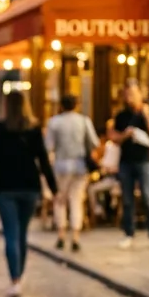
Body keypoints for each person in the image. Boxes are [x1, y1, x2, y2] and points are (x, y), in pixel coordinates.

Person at [0, 92, 57, 297]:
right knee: (22, 234)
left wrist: (2, 165)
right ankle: (19, 276)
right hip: (29, 186)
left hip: (5, 186)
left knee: (11, 233)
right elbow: (43, 159)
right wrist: (53, 187)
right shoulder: (33, 128)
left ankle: (15, 279)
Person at [111, 80, 149, 249]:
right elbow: (113, 138)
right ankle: (129, 233)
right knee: (127, 199)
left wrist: (147, 117)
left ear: (141, 94)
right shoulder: (121, 115)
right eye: (127, 94)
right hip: (126, 161)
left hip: (145, 160)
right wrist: (125, 135)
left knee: (148, 197)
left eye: (133, 94)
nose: (130, 97)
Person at [45, 95, 99, 253]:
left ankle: (61, 235)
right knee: (76, 200)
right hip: (79, 165)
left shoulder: (54, 122)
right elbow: (94, 142)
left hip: (61, 165)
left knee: (60, 200)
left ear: (61, 106)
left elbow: (48, 146)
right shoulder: (83, 121)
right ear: (76, 105)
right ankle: (75, 237)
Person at [87, 123, 122, 222]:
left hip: (116, 179)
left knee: (96, 190)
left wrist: (110, 169)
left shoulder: (121, 148)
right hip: (106, 177)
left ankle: (103, 212)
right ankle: (98, 211)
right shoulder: (108, 146)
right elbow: (104, 163)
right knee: (91, 188)